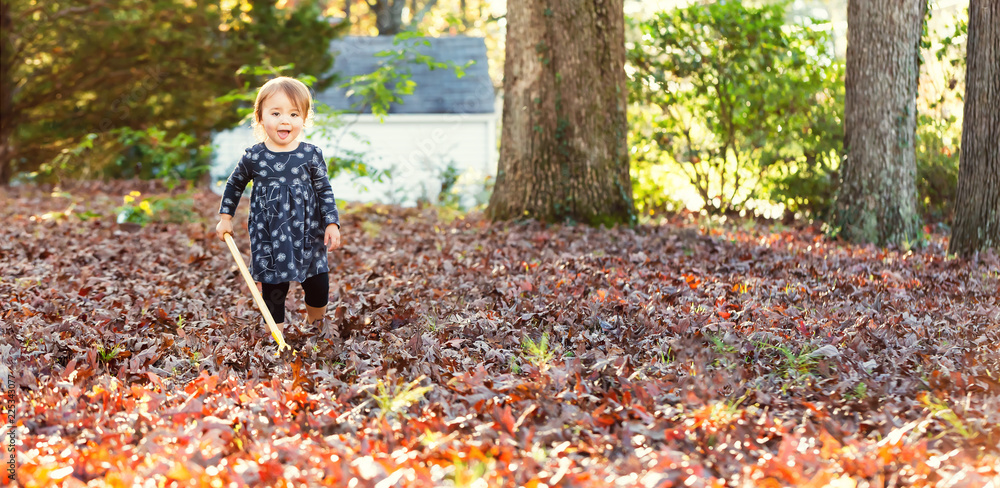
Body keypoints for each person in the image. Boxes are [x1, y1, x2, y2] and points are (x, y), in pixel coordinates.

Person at [215, 76, 342, 339]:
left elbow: (324, 190)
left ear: (304, 118)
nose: (285, 120)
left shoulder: (311, 154)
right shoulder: (255, 156)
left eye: (294, 114)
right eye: (276, 113)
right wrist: (225, 217)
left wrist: (331, 222)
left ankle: (316, 328)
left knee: (317, 285)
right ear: (260, 117)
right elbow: (234, 184)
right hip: (269, 235)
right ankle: (277, 338)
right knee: (274, 288)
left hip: (308, 233)